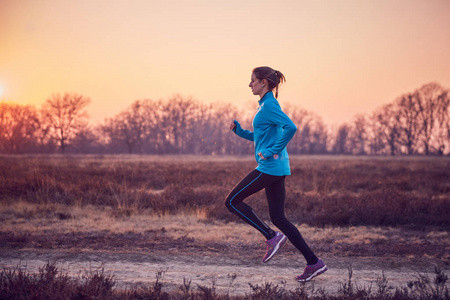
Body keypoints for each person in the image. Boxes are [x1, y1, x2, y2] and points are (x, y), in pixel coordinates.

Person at [225, 66, 327, 282]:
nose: (249, 84)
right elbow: (261, 137)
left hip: (270, 166)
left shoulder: (269, 105)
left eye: (252, 80)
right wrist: (240, 132)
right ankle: (313, 262)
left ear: (263, 82)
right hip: (276, 167)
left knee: (232, 201)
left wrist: (272, 151)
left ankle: (271, 237)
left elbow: (291, 128)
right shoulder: (264, 106)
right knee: (279, 217)